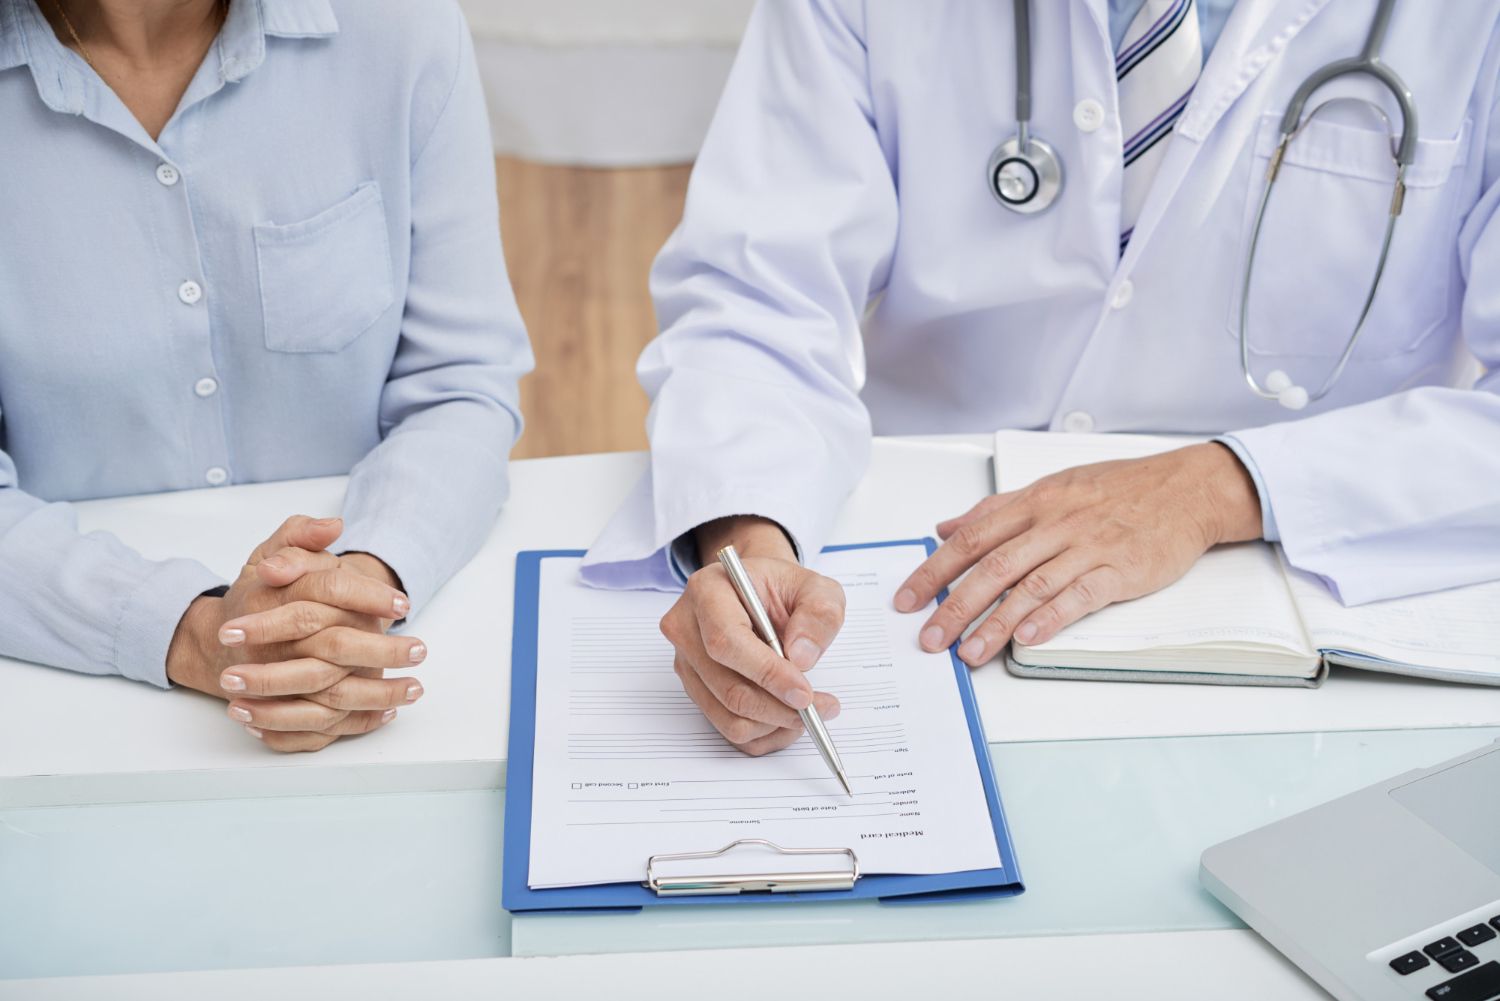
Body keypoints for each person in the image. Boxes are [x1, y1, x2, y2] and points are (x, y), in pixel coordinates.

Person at [582, 0, 1500, 756]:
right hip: (920, 572)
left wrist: (1219, 485)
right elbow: (758, 293)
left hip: (1310, 590)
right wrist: (752, 541)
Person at [0, 0, 533, 751]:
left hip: (381, 689)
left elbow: (461, 380)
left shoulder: (399, 28)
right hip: (61, 696)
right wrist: (189, 629)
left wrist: (358, 585)